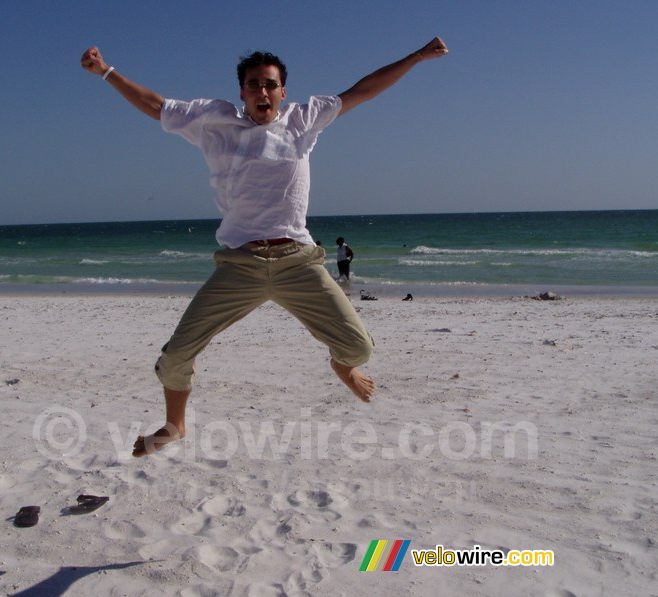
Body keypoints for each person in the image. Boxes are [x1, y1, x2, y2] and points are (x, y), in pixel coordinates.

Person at [80, 37, 449, 457]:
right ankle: (174, 425)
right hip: (241, 264)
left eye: (270, 84)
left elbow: (361, 90)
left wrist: (416, 57)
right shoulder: (212, 121)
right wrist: (106, 72)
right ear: (241, 92)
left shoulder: (301, 120)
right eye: (254, 84)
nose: (262, 91)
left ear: (282, 92)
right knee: (176, 355)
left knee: (359, 347)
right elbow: (155, 105)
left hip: (298, 261)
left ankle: (341, 367)